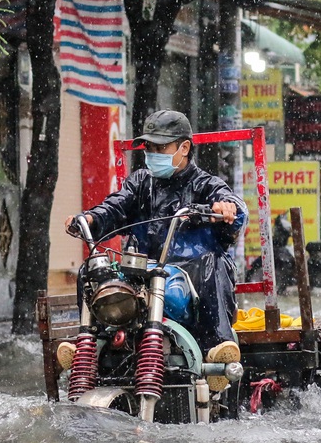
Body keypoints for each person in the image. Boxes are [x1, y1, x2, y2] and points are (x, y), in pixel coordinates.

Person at [63, 109, 248, 378]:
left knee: (213, 262)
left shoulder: (207, 184)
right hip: (141, 271)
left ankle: (218, 347)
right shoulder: (140, 182)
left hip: (191, 276)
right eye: (149, 147)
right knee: (90, 270)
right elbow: (115, 206)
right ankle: (87, 342)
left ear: (184, 147)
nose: (152, 153)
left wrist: (226, 209)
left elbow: (235, 207)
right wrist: (90, 218)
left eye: (161, 146)